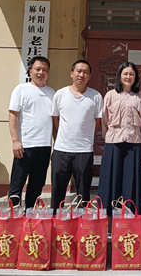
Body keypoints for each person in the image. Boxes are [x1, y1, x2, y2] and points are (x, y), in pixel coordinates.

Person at [50, 60, 103, 210]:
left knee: (83, 192)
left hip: (84, 150)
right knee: (57, 190)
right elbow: (55, 120)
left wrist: (85, 135)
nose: (81, 75)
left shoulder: (95, 96)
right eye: (78, 71)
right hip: (61, 150)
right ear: (71, 73)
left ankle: (82, 220)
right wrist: (62, 137)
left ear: (90, 76)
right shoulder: (60, 94)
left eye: (85, 72)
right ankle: (56, 219)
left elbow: (97, 121)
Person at [98, 61, 141, 215]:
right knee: (111, 179)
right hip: (113, 142)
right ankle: (108, 214)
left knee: (131, 180)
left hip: (134, 143)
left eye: (131, 74)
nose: (128, 77)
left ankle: (131, 214)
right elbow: (104, 120)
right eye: (125, 73)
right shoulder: (110, 95)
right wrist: (109, 136)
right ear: (119, 76)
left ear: (136, 77)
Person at [7, 56, 55, 210]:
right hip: (25, 146)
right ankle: (13, 217)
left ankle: (30, 217)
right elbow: (12, 115)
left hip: (44, 146)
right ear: (30, 71)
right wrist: (15, 140)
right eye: (37, 69)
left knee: (37, 184)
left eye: (44, 70)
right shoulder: (21, 89)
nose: (41, 72)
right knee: (17, 184)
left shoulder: (51, 93)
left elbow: (54, 121)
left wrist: (56, 143)